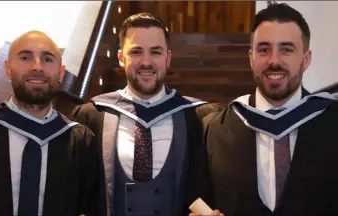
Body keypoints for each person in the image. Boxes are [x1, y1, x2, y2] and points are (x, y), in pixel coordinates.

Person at [71, 13, 223, 216]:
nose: (146, 62)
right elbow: (74, 190)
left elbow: (218, 188)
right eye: (136, 52)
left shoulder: (200, 118)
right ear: (121, 58)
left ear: (168, 58)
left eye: (155, 52)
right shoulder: (92, 116)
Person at [194, 3, 338, 216]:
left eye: (286, 49)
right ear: (251, 58)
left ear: (305, 59)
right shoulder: (215, 130)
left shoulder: (333, 122)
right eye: (264, 49)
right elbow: (200, 200)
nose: (274, 60)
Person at [0, 30, 105, 216]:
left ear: (61, 73)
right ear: (8, 68)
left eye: (47, 59)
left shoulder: (81, 142)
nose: (37, 67)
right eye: (25, 58)